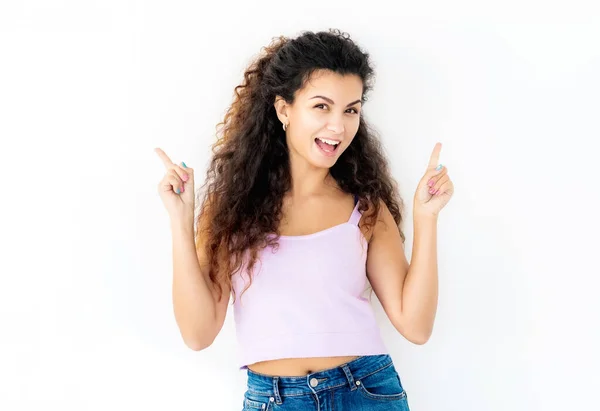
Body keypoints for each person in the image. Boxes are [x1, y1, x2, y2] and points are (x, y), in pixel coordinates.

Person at [155, 29, 454, 411]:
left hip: (365, 391)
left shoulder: (364, 207)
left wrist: (426, 217)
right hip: (273, 400)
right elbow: (198, 334)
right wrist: (181, 224)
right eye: (321, 106)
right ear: (284, 110)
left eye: (351, 109)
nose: (338, 126)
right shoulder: (232, 210)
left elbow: (415, 326)